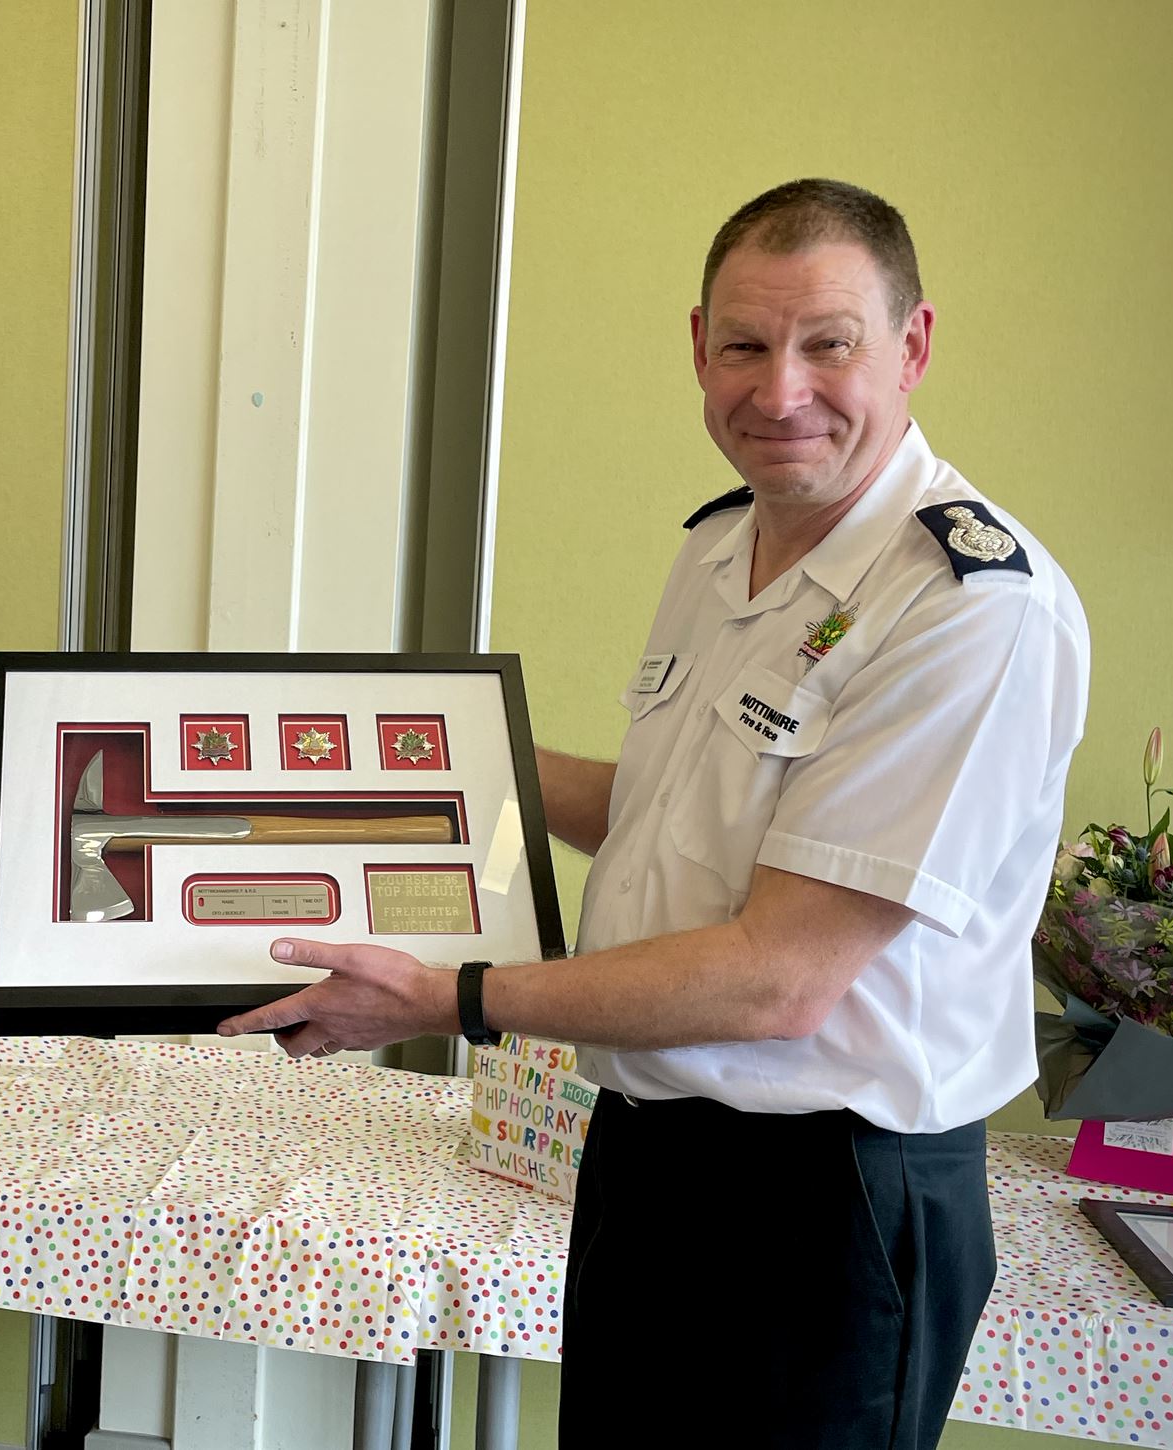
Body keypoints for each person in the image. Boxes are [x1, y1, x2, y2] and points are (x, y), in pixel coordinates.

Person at [221, 179, 1090, 1448]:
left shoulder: (968, 607)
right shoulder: (723, 545)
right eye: (744, 344)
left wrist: (446, 999)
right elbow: (672, 824)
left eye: (828, 344)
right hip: (649, 1150)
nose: (779, 391)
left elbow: (777, 979)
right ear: (697, 347)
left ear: (911, 346)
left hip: (827, 1200)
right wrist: (425, 764)